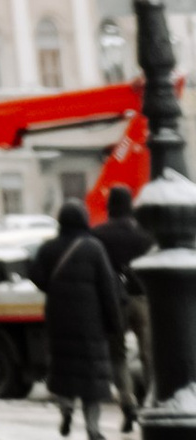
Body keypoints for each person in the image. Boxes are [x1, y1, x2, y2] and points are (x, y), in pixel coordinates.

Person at [33, 197, 125, 440]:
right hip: (90, 322)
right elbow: (108, 289)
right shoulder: (93, 248)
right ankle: (93, 428)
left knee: (64, 369)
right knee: (91, 375)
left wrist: (55, 287)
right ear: (84, 219)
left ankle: (66, 411)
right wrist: (115, 324)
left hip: (59, 319)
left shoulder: (48, 248)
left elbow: (37, 276)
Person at [94, 180, 151, 422]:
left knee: (118, 354)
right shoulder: (145, 234)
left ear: (110, 206)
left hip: (114, 301)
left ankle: (127, 401)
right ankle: (151, 399)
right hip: (142, 299)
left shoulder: (99, 235)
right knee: (149, 352)